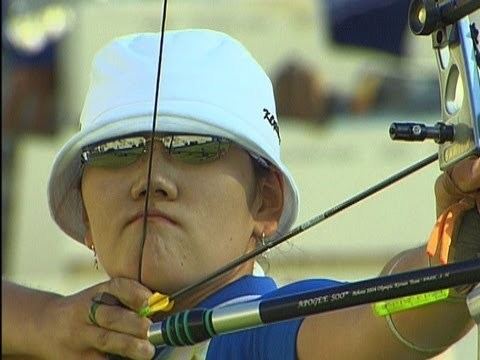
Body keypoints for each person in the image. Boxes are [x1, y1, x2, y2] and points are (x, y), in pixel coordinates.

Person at [2, 29, 479, 360]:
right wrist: (44, 322)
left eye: (193, 147)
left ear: (264, 201)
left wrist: (448, 266)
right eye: (117, 149)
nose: (149, 179)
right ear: (84, 213)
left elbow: (372, 323)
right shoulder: (63, 338)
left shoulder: (253, 335)